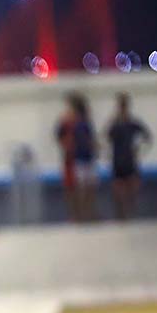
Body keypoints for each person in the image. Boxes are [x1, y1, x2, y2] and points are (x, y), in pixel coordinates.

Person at [106, 92, 152, 220]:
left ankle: (130, 212)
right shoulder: (115, 123)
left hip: (129, 158)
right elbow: (107, 137)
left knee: (131, 187)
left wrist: (138, 149)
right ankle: (121, 213)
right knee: (119, 188)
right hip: (118, 159)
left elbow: (146, 136)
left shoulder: (131, 123)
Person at [56, 93, 99, 222]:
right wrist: (68, 146)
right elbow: (60, 136)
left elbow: (89, 138)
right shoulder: (66, 121)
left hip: (83, 157)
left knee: (86, 187)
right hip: (73, 158)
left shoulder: (84, 121)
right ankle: (77, 214)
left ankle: (86, 213)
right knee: (73, 188)